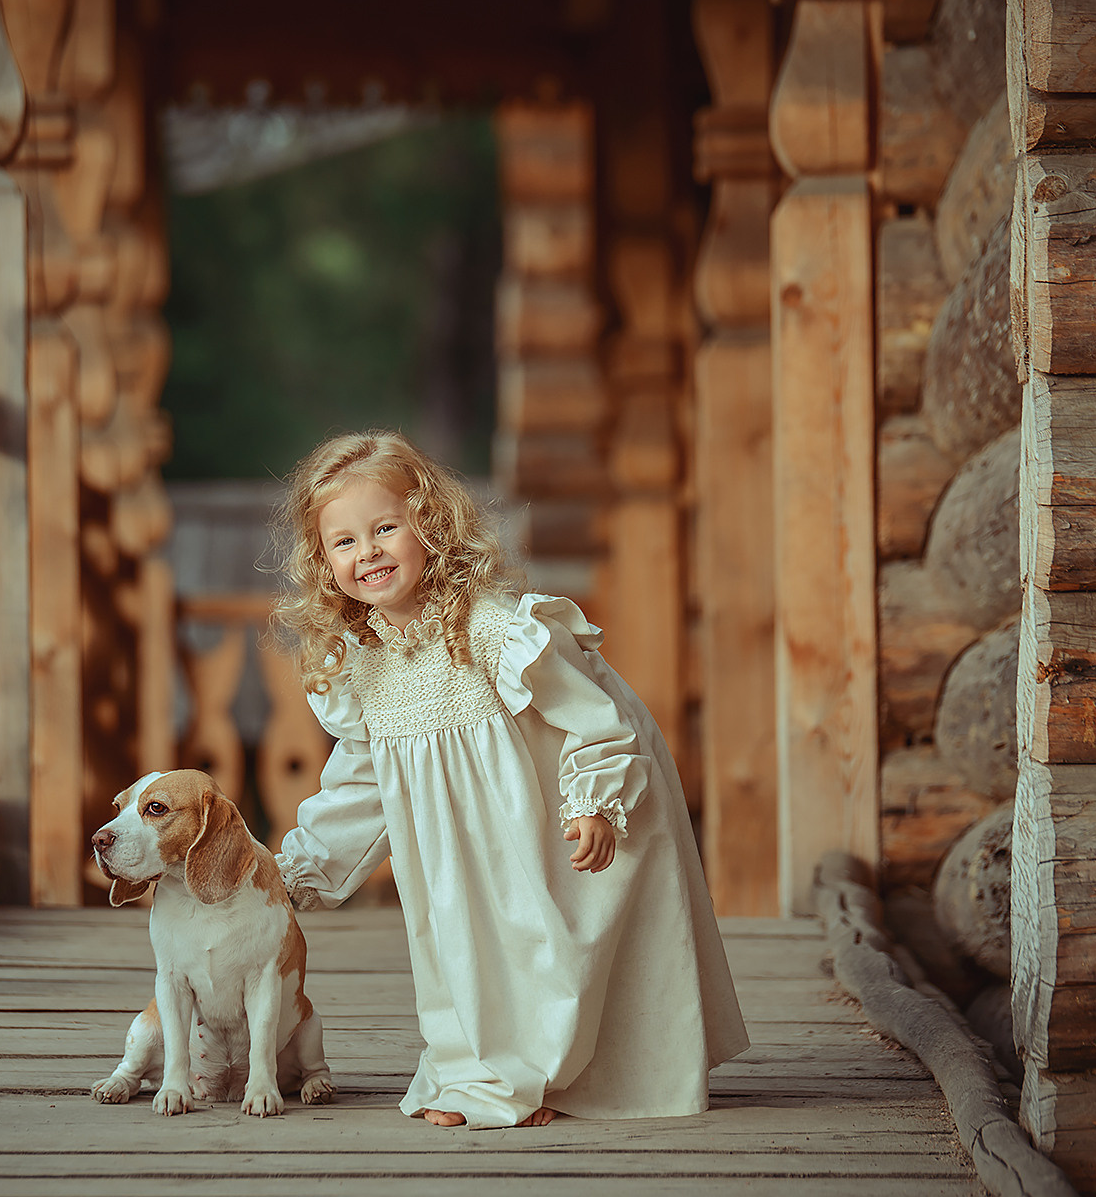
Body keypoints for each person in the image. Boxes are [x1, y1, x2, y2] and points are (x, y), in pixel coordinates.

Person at [271, 429, 749, 1129]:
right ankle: (478, 1074)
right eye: (343, 542)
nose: (367, 552)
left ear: (429, 525)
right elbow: (363, 785)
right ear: (323, 563)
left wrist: (593, 801)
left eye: (385, 527)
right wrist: (300, 871)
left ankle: (544, 1078)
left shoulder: (493, 630)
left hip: (543, 821)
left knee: (546, 947)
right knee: (462, 954)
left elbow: (596, 718)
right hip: (456, 857)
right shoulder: (366, 665)